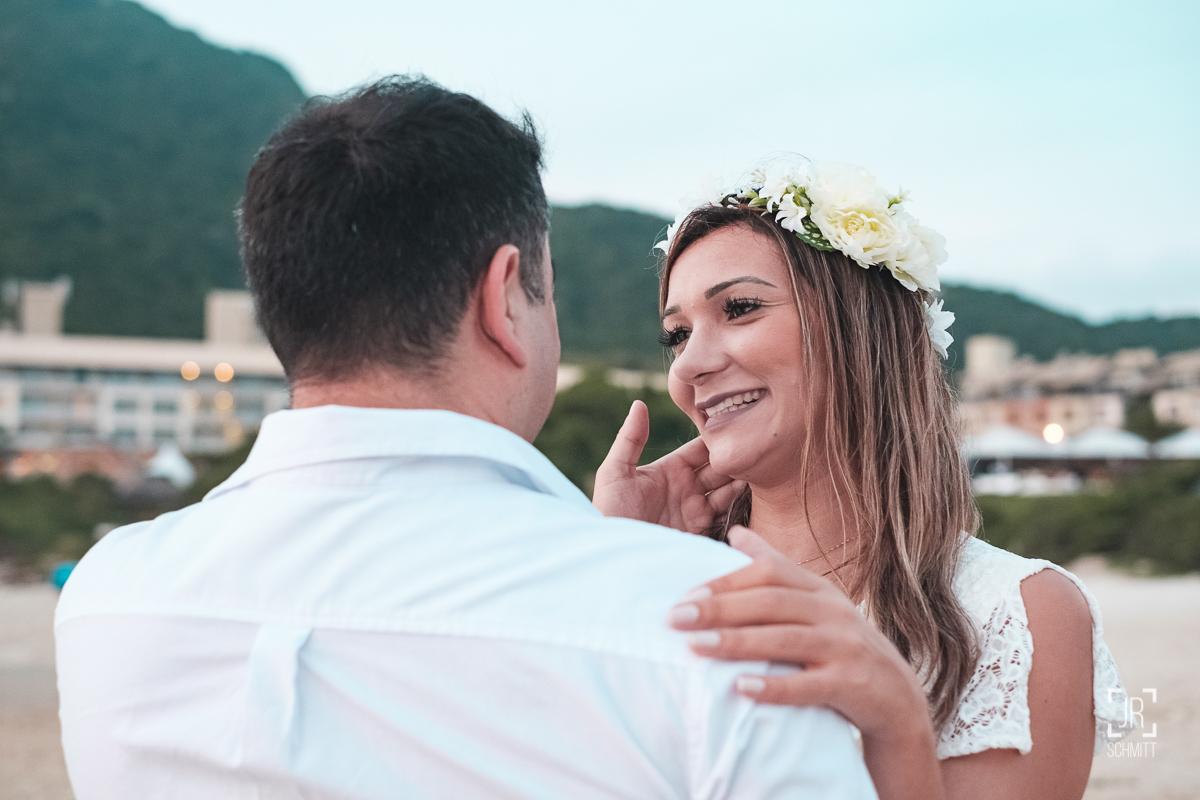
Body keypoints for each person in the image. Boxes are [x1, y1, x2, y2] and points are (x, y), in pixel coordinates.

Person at [54, 79, 877, 799]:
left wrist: (617, 551)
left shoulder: (107, 598)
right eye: (547, 291)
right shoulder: (721, 633)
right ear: (504, 299)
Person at [592, 162, 1131, 800]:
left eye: (739, 308)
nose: (690, 365)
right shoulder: (651, 582)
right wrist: (619, 572)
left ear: (859, 329)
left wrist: (896, 725)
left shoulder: (1019, 617)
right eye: (677, 335)